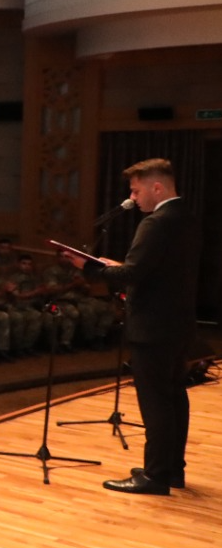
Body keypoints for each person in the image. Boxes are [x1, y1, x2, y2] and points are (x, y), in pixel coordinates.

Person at [60, 158, 200, 496]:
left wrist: (89, 267)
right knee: (174, 396)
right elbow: (157, 269)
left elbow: (132, 275)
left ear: (157, 188)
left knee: (155, 402)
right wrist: (120, 265)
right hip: (178, 322)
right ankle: (172, 469)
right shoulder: (186, 216)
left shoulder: (156, 222)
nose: (132, 198)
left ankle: (155, 476)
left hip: (152, 326)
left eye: (136, 191)